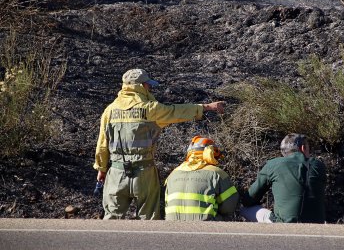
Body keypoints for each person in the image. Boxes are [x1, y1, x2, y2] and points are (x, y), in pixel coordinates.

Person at [93, 68, 225, 220]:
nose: (150, 88)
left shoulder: (109, 111)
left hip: (116, 173)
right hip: (144, 172)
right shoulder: (150, 109)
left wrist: (101, 169)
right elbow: (177, 111)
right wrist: (207, 107)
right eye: (148, 85)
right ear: (141, 86)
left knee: (111, 222)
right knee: (149, 221)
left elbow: (102, 145)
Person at [240, 133, 326, 223]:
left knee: (244, 209)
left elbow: (248, 200)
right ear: (303, 148)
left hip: (284, 223)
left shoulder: (273, 165)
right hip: (316, 223)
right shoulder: (319, 165)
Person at [165, 136, 239, 221]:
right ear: (210, 153)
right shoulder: (217, 173)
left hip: (172, 226)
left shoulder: (173, 174)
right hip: (206, 227)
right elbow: (229, 208)